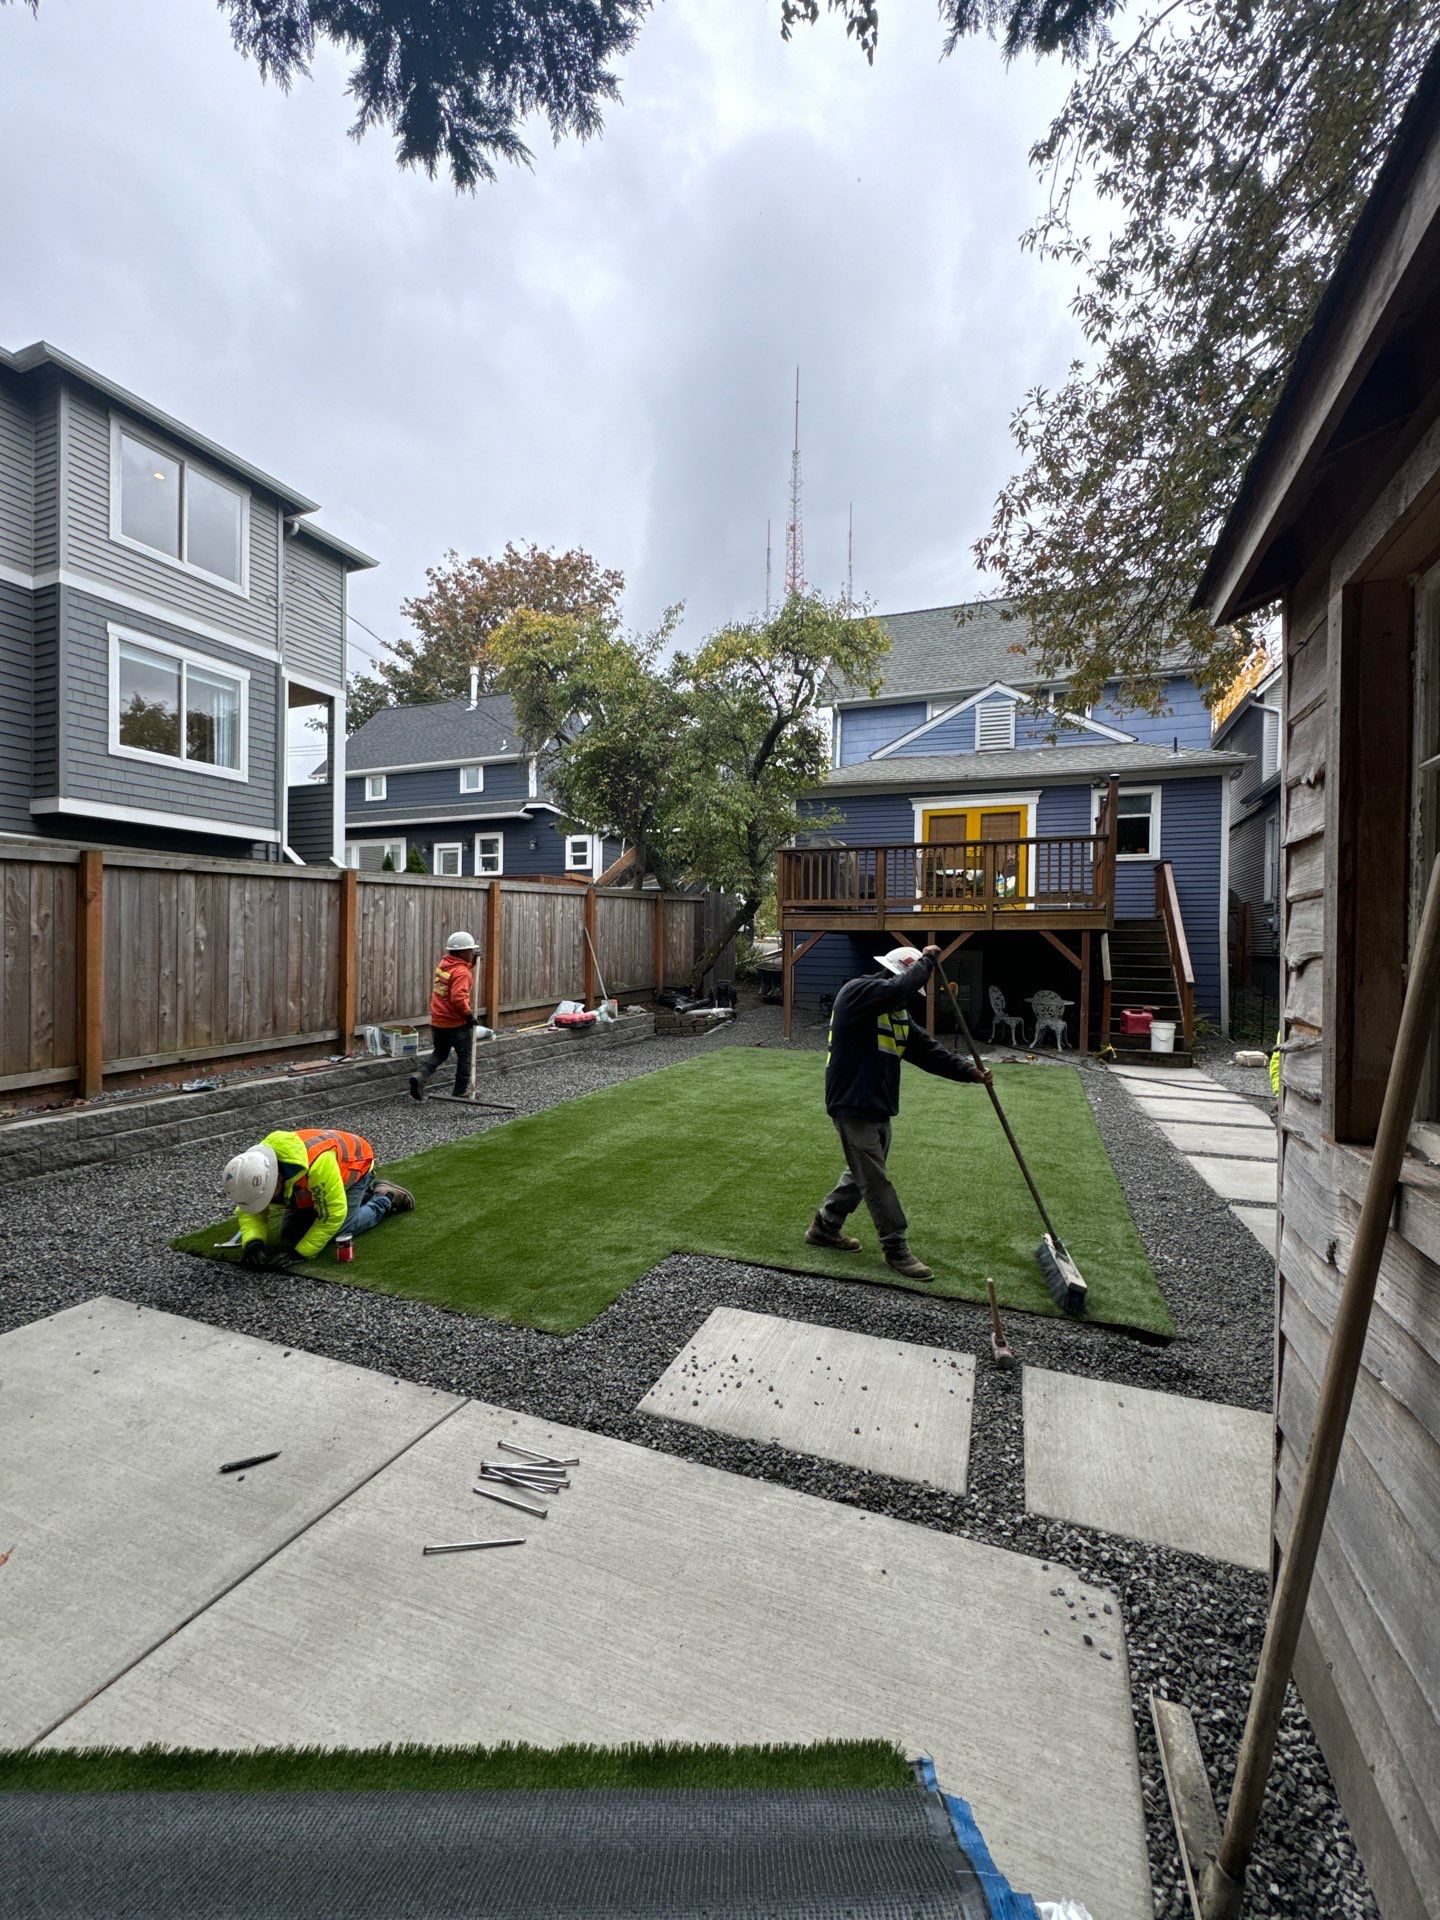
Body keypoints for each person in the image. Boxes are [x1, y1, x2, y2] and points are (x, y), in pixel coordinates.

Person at [808, 944, 993, 1281]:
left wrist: (970, 1072)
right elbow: (901, 987)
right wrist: (927, 960)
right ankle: (896, 1248)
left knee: (862, 1173)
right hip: (851, 1102)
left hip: (878, 1105)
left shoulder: (898, 1015)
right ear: (895, 974)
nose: (911, 996)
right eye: (910, 985)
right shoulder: (857, 992)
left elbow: (929, 1052)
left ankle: (825, 1226)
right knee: (875, 1179)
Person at [221, 1127, 414, 1270]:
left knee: (341, 1229)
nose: (266, 1201)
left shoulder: (317, 1164)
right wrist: (253, 1242)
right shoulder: (252, 1166)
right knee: (291, 1232)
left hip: (355, 1168)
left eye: (268, 1196)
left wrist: (301, 1253)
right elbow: (250, 1210)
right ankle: (361, 1197)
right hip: (312, 1181)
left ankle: (384, 1197)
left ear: (277, 1178)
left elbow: (332, 1215)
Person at [411, 930, 479, 1101]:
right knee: (465, 1055)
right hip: (455, 1023)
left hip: (438, 1021)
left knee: (440, 1053)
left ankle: (420, 1077)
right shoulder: (462, 972)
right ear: (463, 952)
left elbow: (456, 973)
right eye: (470, 950)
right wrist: (469, 1016)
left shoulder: (444, 964)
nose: (472, 952)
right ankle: (460, 1091)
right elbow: (457, 998)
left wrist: (471, 964)